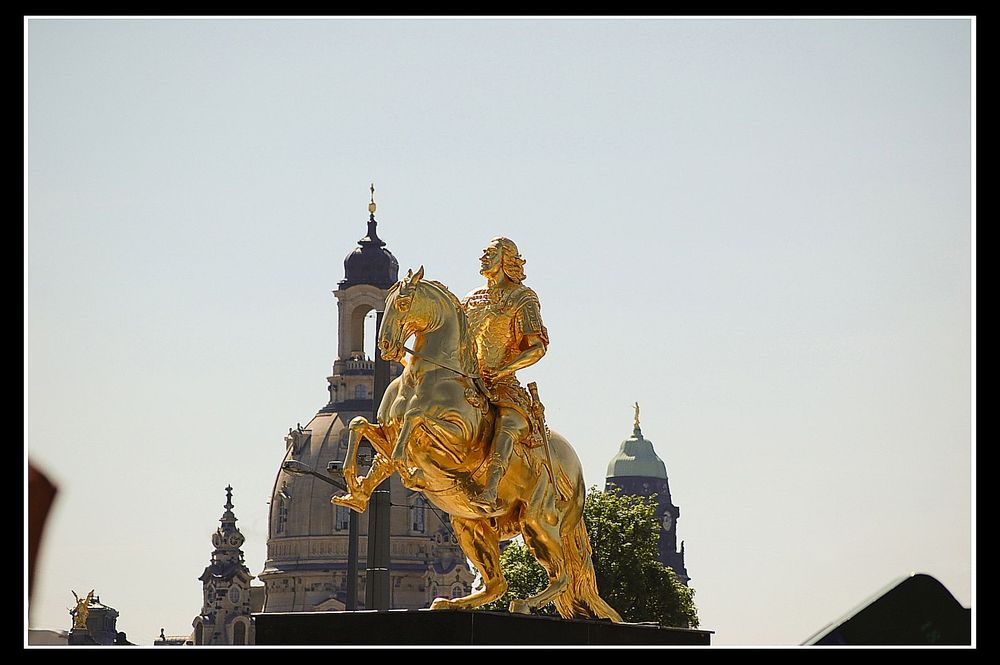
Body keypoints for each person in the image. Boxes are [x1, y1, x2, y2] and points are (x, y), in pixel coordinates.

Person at [462, 237, 548, 510]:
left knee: (508, 424)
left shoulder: (522, 298)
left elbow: (536, 347)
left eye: (489, 253)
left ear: (505, 259)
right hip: (468, 382)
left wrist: (502, 371)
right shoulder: (470, 299)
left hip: (503, 386)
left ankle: (491, 488)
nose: (482, 258)